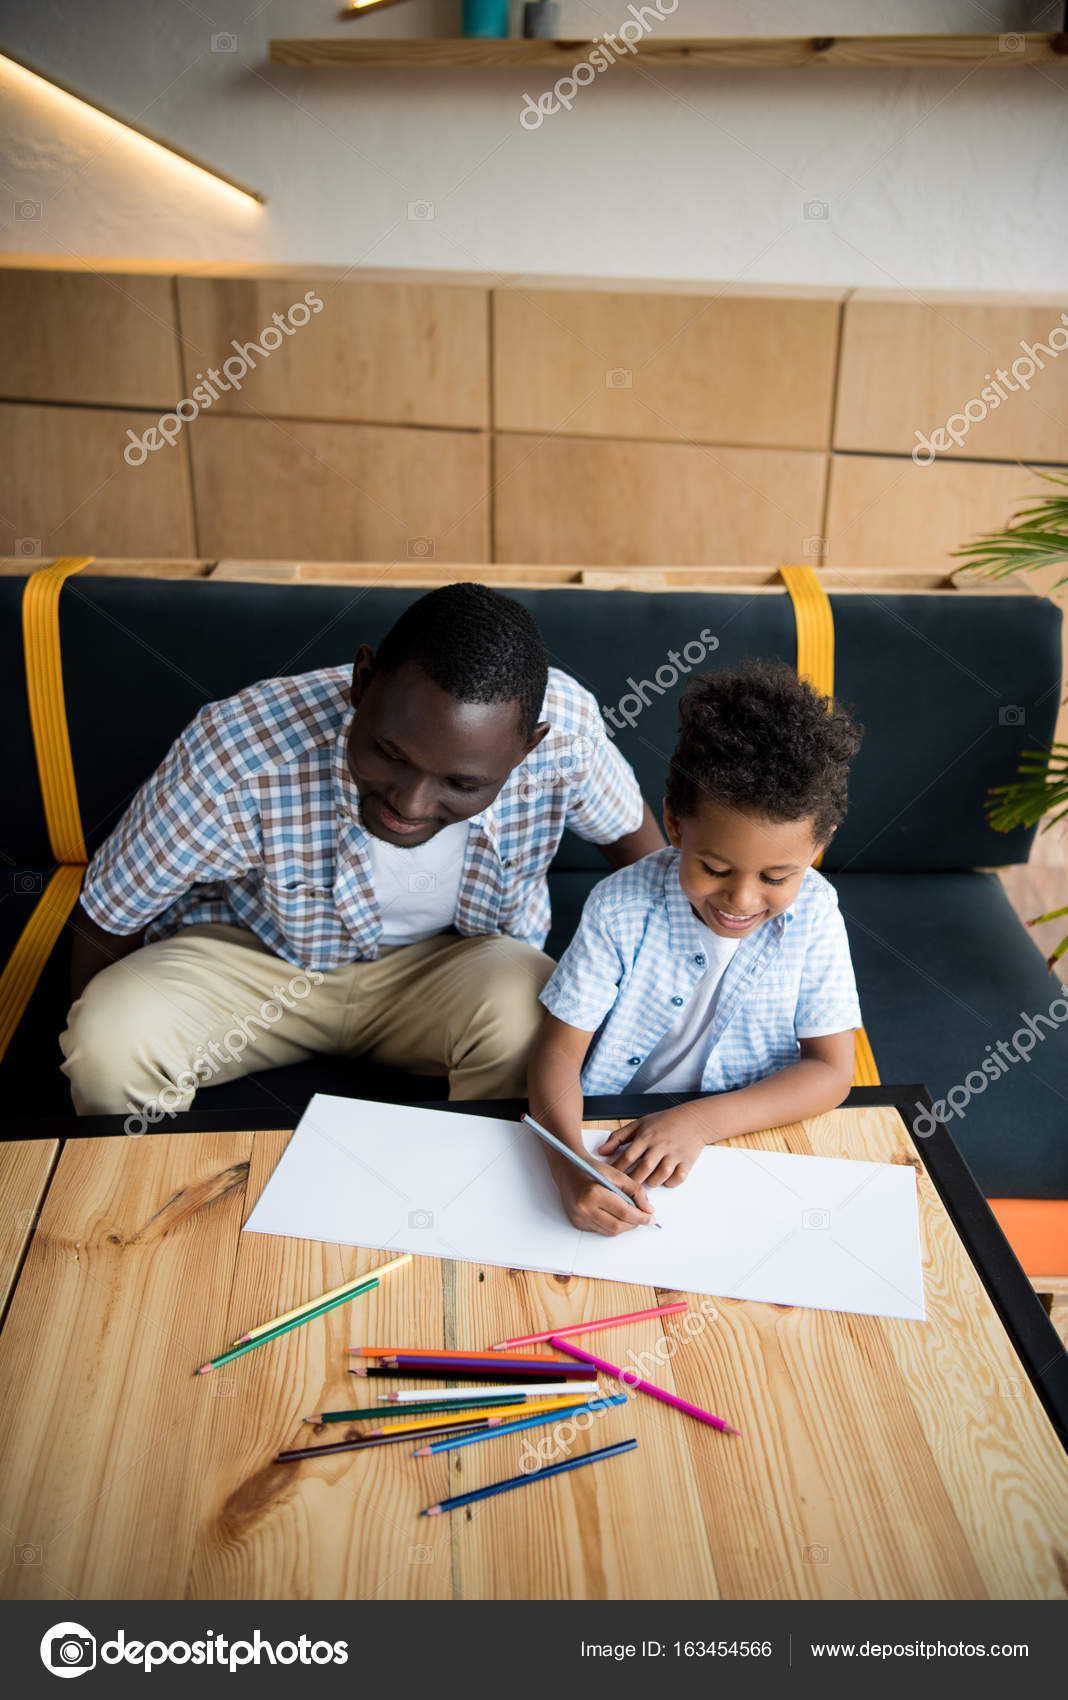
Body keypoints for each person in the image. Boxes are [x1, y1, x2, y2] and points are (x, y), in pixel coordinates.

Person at [61, 582, 663, 1118]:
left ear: (528, 749)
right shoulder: (234, 753)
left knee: (536, 1016)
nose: (411, 803)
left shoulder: (569, 737)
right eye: (390, 755)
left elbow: (646, 869)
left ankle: (466, 1195)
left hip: (449, 972)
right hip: (257, 964)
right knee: (108, 1042)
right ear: (362, 681)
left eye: (461, 783)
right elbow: (109, 914)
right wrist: (83, 1025)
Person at [527, 659, 864, 1236]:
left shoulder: (816, 912)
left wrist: (700, 1123)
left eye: (777, 876)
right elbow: (557, 1055)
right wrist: (566, 1163)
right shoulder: (619, 907)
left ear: (817, 847)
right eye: (714, 867)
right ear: (676, 826)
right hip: (615, 1136)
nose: (741, 897)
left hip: (749, 1134)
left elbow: (832, 1072)